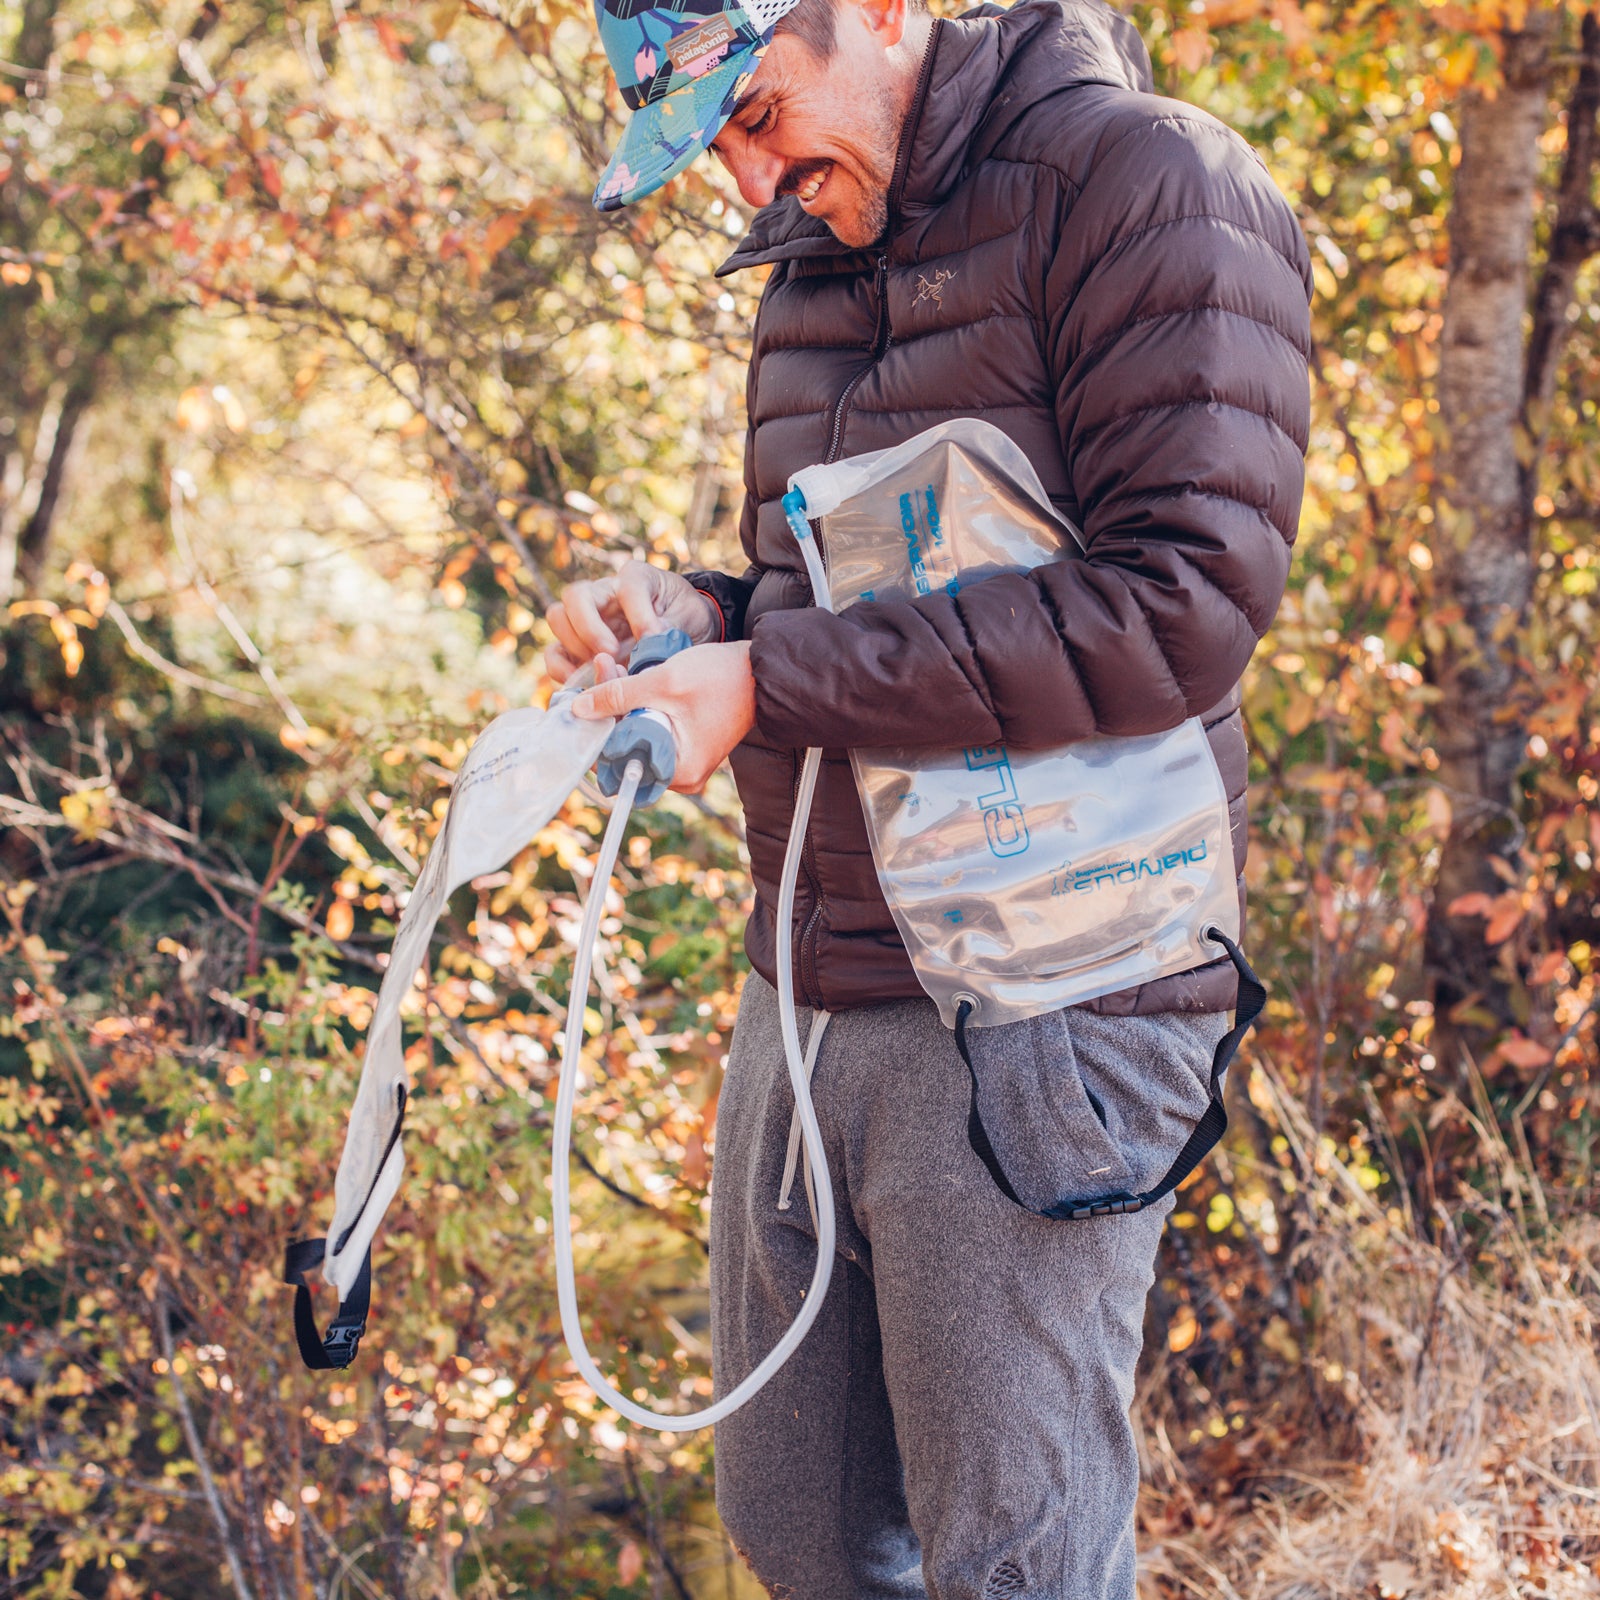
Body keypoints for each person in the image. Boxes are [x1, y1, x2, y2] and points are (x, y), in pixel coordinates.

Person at [551, 0, 1312, 1593]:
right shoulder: (816, 241)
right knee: (802, 1534)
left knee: (1012, 1561)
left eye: (755, 113)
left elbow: (1179, 606)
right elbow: (830, 597)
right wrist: (697, 624)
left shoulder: (1154, 186)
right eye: (715, 146)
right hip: (812, 982)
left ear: (885, 11)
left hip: (1044, 998)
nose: (746, 178)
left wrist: (767, 681)